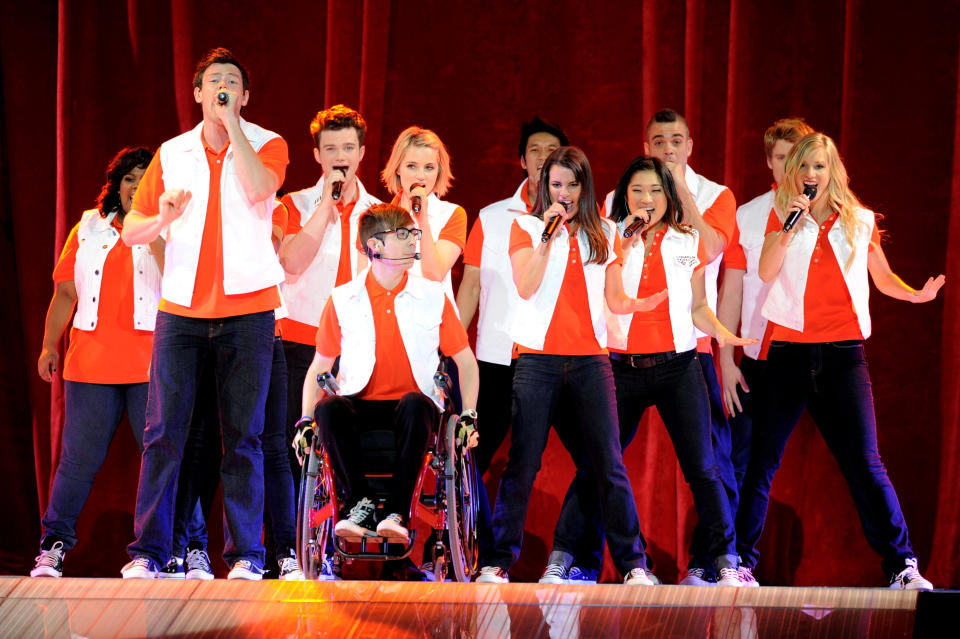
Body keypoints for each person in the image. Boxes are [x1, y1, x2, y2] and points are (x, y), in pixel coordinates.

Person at [736, 132, 944, 590]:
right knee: (761, 462)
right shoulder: (782, 215)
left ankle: (902, 566)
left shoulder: (859, 220)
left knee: (865, 463)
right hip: (789, 354)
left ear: (834, 172)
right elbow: (766, 271)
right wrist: (790, 225)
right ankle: (742, 565)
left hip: (843, 356)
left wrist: (917, 295)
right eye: (804, 167)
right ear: (793, 173)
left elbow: (883, 278)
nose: (811, 175)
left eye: (820, 167)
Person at [543, 156, 757, 586]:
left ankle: (725, 560)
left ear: (670, 196)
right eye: (637, 191)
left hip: (679, 366)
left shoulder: (688, 240)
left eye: (656, 191)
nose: (646, 199)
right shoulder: (607, 237)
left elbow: (698, 306)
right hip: (620, 367)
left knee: (703, 467)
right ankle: (563, 557)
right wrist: (621, 241)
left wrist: (723, 335)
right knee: (596, 464)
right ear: (624, 195)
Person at [120, 47, 288, 580]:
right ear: (196, 93)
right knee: (164, 432)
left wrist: (233, 125)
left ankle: (245, 556)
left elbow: (262, 188)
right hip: (182, 311)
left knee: (243, 437)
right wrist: (163, 215)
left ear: (244, 95)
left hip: (249, 311)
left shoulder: (267, 143)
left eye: (232, 83)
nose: (222, 88)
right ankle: (149, 551)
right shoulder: (172, 153)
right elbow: (133, 232)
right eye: (213, 81)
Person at [475, 146, 667, 586]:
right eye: (555, 185)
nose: (563, 193)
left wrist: (641, 304)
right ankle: (497, 562)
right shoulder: (524, 227)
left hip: (590, 361)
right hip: (537, 359)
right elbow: (526, 286)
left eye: (571, 185)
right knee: (523, 463)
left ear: (585, 186)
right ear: (545, 187)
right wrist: (546, 237)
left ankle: (634, 565)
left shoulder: (604, 230)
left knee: (607, 462)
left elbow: (615, 299)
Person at [300, 202, 480, 544]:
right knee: (329, 408)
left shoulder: (432, 295)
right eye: (403, 235)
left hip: (415, 407)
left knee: (414, 403)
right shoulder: (342, 298)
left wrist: (469, 413)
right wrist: (304, 421)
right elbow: (318, 368)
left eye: (414, 233)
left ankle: (396, 512)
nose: (414, 240)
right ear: (375, 246)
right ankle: (358, 504)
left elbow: (466, 363)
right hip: (361, 403)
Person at [30, 146, 160, 578]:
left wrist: (158, 228)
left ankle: (177, 548)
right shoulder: (89, 227)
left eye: (146, 178)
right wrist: (50, 345)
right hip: (90, 366)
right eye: (129, 178)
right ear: (117, 185)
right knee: (78, 460)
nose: (136, 186)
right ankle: (53, 546)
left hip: (150, 365)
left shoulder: (169, 229)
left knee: (164, 457)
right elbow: (65, 292)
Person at [641, 109, 741, 585]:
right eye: (659, 141)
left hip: (692, 346)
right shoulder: (625, 194)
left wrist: (679, 192)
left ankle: (714, 561)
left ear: (691, 145)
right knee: (601, 458)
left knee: (709, 462)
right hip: (631, 348)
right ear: (646, 147)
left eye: (676, 140)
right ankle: (584, 560)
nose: (668, 149)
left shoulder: (716, 195)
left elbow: (713, 247)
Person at [716, 117, 814, 587]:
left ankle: (743, 560)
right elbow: (731, 291)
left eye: (794, 158)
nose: (787, 168)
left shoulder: (830, 218)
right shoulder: (748, 216)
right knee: (742, 461)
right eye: (778, 158)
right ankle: (729, 561)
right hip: (758, 354)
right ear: (768, 163)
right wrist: (726, 357)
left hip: (814, 354)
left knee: (769, 464)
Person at [456, 116, 567, 476]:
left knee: (592, 460)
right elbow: (471, 285)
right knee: (474, 456)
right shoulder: (492, 217)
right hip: (497, 357)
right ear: (522, 160)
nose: (542, 157)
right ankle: (469, 531)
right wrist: (452, 345)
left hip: (557, 358)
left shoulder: (584, 220)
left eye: (551, 151)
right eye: (534, 151)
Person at [279, 105, 380, 461]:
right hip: (300, 341)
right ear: (317, 155)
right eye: (332, 149)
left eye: (349, 148)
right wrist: (325, 206)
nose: (341, 157)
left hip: (357, 345)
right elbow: (290, 263)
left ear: (362, 153)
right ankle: (289, 519)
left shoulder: (379, 212)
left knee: (350, 450)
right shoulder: (295, 204)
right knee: (292, 448)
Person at [379, 126, 467, 300]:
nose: (421, 176)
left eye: (429, 168)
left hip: (430, 319)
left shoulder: (452, 214)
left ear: (439, 171)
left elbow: (434, 275)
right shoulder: (378, 217)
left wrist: (423, 221)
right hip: (387, 315)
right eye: (412, 166)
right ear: (398, 168)